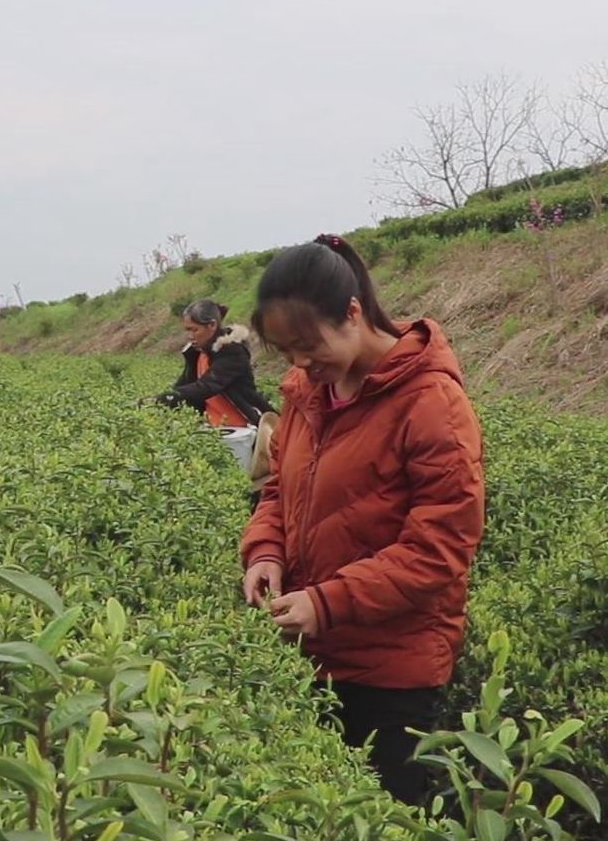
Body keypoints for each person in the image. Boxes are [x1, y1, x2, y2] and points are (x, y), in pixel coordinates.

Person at [239, 233, 483, 806]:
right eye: (286, 350)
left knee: (389, 822)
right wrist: (265, 553)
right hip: (311, 653)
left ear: (352, 313)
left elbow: (440, 548)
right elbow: (278, 488)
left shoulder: (431, 404)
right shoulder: (307, 394)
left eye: (307, 343)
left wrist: (327, 603)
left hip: (391, 668)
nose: (300, 362)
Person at [157, 299, 276, 428]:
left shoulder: (231, 351)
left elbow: (209, 385)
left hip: (241, 426)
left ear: (212, 325)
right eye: (187, 331)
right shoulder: (200, 353)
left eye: (194, 330)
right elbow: (186, 384)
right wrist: (162, 398)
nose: (190, 336)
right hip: (213, 425)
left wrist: (174, 396)